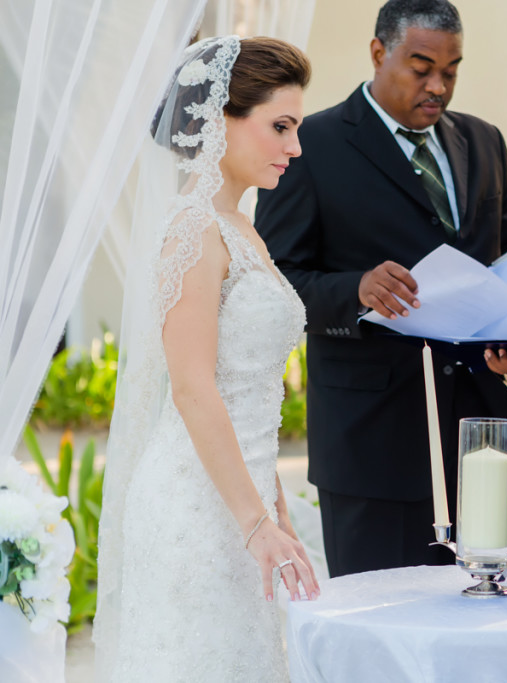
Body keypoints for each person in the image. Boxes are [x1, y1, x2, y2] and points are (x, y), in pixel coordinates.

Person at [255, 0, 507, 578]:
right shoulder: (309, 147)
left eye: (452, 69)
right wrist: (355, 289)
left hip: (482, 438)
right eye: (421, 67)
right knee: (381, 635)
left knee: (491, 626)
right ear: (378, 52)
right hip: (373, 447)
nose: (438, 86)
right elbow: (272, 282)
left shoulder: (485, 142)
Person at [95, 36, 319, 682]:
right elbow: (195, 390)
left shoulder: (243, 228)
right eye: (280, 126)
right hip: (194, 507)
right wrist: (257, 526)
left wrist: (275, 509)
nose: (294, 148)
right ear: (221, 118)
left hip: (241, 499)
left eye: (296, 128)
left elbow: (251, 395)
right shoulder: (195, 230)